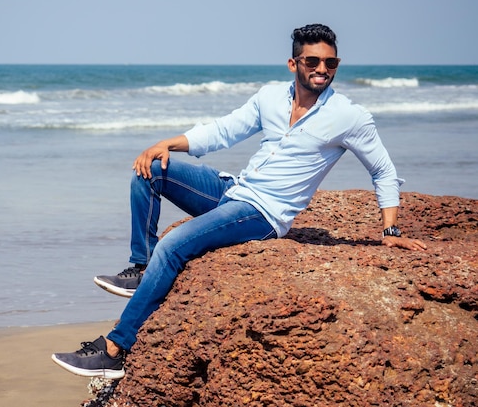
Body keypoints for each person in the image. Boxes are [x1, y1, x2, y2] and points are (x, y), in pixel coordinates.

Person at [51, 24, 428, 379]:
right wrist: (167, 143)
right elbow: (222, 131)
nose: (322, 69)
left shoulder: (348, 116)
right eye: (312, 61)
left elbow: (383, 170)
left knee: (174, 246)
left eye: (330, 63)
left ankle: (115, 351)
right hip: (232, 190)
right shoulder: (270, 97)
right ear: (293, 63)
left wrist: (390, 229)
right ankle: (140, 267)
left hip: (262, 214)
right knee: (150, 168)